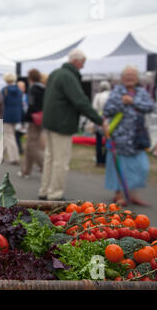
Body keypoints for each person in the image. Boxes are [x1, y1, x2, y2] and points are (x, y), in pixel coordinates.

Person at [38, 49, 106, 201]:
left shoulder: (56, 73)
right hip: (62, 124)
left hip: (50, 122)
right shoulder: (68, 76)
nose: (82, 66)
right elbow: (80, 101)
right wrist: (99, 120)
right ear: (76, 61)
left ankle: (45, 190)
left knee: (50, 158)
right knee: (60, 161)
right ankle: (55, 194)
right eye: (82, 63)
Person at [103, 65, 155, 206]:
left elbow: (150, 107)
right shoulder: (116, 92)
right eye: (127, 75)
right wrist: (121, 102)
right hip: (120, 137)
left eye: (132, 75)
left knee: (142, 167)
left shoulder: (141, 92)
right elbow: (107, 110)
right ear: (122, 78)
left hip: (137, 137)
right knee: (119, 167)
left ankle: (133, 194)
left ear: (137, 78)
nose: (129, 77)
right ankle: (118, 195)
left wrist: (132, 101)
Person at [19, 68, 45, 178]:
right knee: (30, 146)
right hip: (41, 118)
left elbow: (31, 105)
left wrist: (26, 117)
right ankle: (26, 170)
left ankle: (45, 166)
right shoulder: (43, 88)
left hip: (34, 119)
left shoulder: (33, 89)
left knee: (32, 146)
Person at [1, 72, 23, 165]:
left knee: (9, 136)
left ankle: (14, 157)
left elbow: (2, 103)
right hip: (16, 115)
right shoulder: (19, 90)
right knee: (8, 135)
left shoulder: (5, 90)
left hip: (7, 114)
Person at [91, 80, 112, 166]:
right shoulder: (111, 95)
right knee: (108, 140)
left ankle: (99, 161)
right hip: (109, 121)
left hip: (99, 119)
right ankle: (105, 159)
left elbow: (94, 108)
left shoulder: (98, 96)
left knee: (98, 141)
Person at [15, 80, 27, 154]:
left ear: (24, 88)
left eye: (21, 87)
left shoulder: (26, 97)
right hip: (17, 118)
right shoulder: (14, 96)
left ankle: (20, 149)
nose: (19, 88)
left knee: (17, 134)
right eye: (18, 87)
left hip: (24, 118)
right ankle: (19, 149)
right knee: (16, 134)